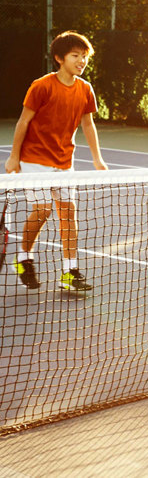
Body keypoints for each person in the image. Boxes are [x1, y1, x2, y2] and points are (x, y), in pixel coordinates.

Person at [5, 30, 108, 292]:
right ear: (59, 58)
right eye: (76, 56)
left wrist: (98, 159)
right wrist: (14, 157)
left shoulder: (85, 89)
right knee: (43, 209)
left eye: (85, 57)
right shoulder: (41, 86)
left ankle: (69, 271)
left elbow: (88, 123)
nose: (81, 61)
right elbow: (23, 121)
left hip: (64, 160)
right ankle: (23, 257)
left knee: (68, 214)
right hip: (35, 158)